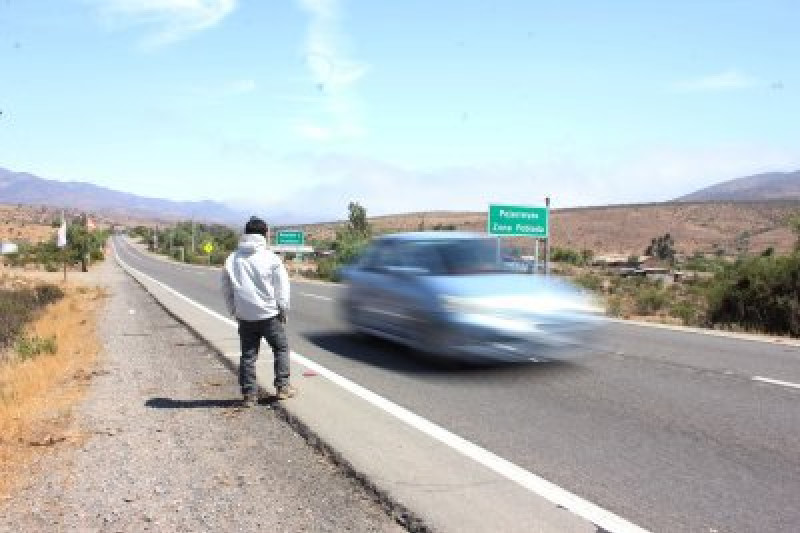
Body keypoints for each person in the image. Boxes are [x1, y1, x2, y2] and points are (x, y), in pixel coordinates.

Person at [221, 216, 296, 407]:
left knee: (248, 355)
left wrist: (234, 310)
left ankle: (249, 395)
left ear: (246, 234)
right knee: (280, 348)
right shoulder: (271, 258)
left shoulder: (233, 259)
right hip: (269, 315)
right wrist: (283, 310)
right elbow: (282, 289)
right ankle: (283, 387)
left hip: (245, 316)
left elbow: (226, 288)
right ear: (264, 234)